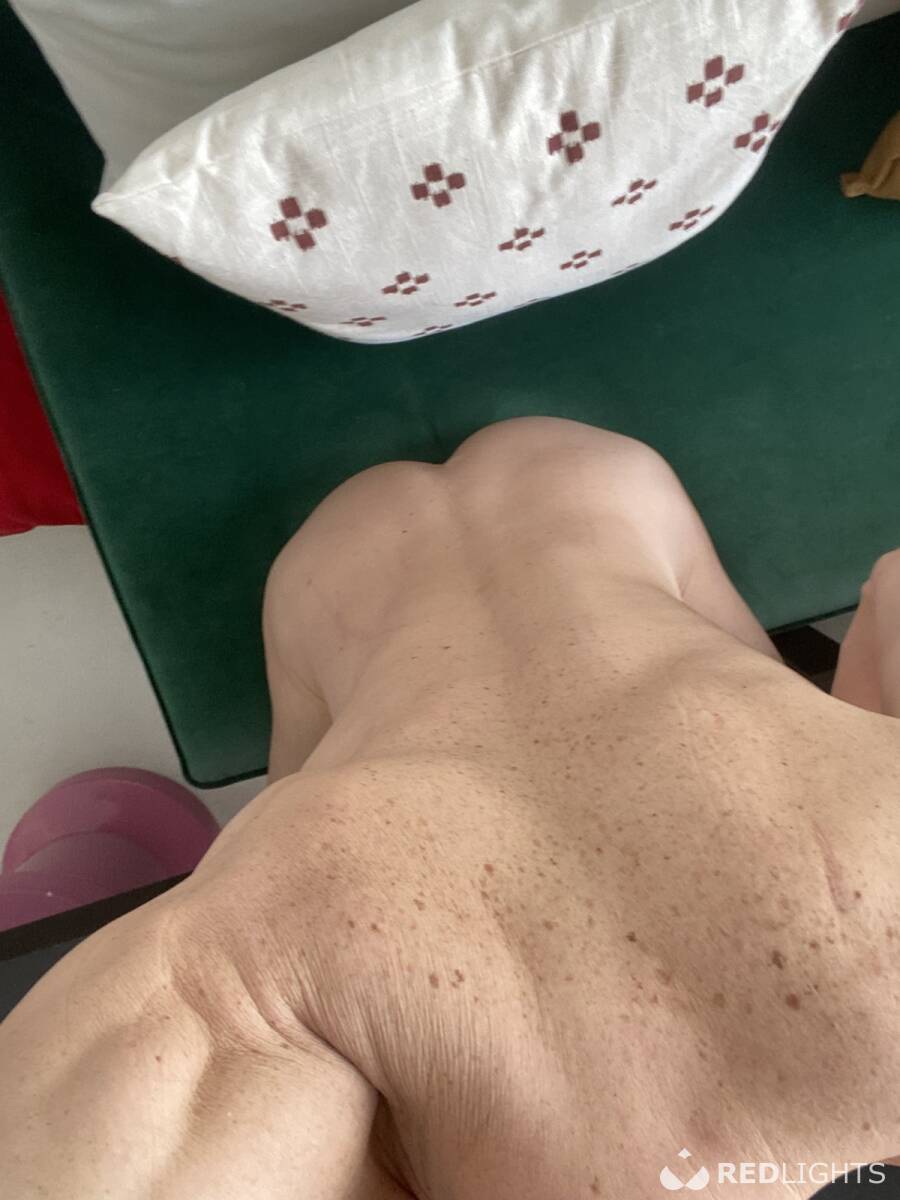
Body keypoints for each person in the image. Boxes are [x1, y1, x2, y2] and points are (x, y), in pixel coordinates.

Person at [1, 415, 898, 1199]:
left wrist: (830, 749)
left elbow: (892, 589)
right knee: (308, 806)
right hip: (326, 566)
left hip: (594, 475)